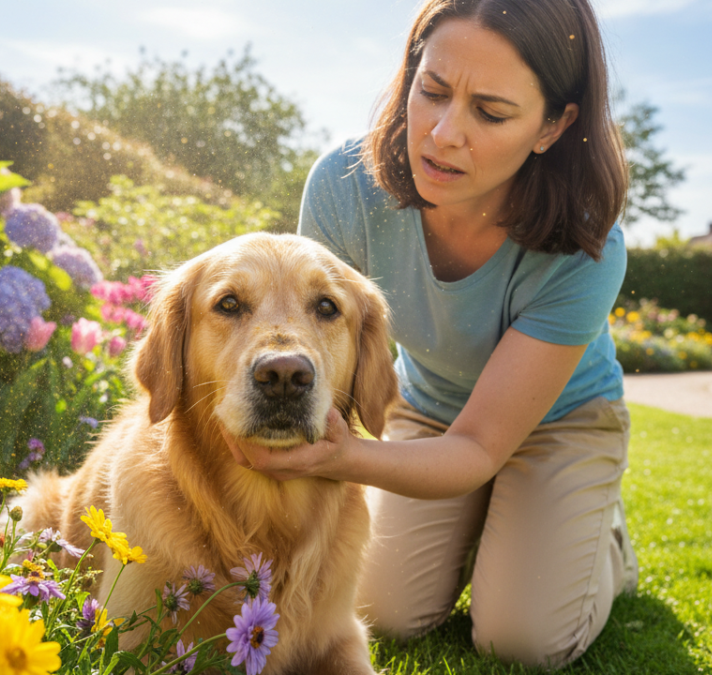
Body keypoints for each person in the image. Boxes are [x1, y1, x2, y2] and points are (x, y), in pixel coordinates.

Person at [223, 0, 635, 668]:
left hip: (562, 423)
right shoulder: (344, 185)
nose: (443, 134)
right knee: (383, 609)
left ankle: (600, 537)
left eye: (491, 113)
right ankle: (498, 527)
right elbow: (310, 349)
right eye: (433, 91)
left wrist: (340, 457)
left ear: (554, 126)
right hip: (432, 407)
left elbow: (479, 444)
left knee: (520, 639)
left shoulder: (587, 240)